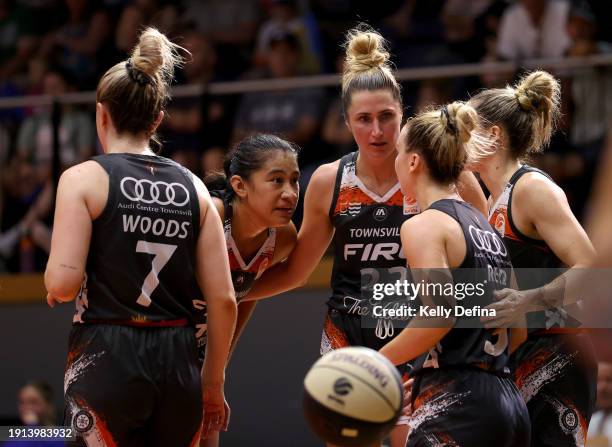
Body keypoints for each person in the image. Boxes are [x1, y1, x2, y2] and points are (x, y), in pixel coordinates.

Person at [243, 25, 486, 447]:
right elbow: (298, 272)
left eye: (386, 117)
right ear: (346, 123)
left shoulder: (448, 176)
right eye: (364, 120)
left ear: (402, 114)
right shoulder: (327, 180)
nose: (377, 131)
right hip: (348, 331)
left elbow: (485, 268)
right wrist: (231, 293)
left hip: (419, 329)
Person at [44, 27, 237, 446]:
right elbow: (223, 300)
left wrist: (56, 284)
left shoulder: (82, 179)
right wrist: (212, 380)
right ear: (157, 120)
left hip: (106, 353)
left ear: (101, 115)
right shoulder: (196, 187)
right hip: (178, 360)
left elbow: (61, 282)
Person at [378, 101, 530, 446]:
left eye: (399, 152)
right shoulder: (488, 228)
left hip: (459, 404)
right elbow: (518, 328)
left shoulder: (424, 225)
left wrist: (374, 361)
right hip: (508, 401)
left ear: (413, 161)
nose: (396, 160)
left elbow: (440, 314)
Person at [470, 70, 597, 447]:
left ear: (493, 135)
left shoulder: (532, 188)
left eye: (467, 129)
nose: (457, 138)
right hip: (516, 358)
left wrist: (528, 300)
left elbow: (593, 269)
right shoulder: (489, 201)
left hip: (558, 355)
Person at [199, 133, 299, 446]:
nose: (290, 193)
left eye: (294, 181)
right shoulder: (212, 215)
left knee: (208, 434)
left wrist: (217, 368)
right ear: (240, 186)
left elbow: (243, 297)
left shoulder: (282, 239)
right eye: (277, 180)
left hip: (201, 354)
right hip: (158, 346)